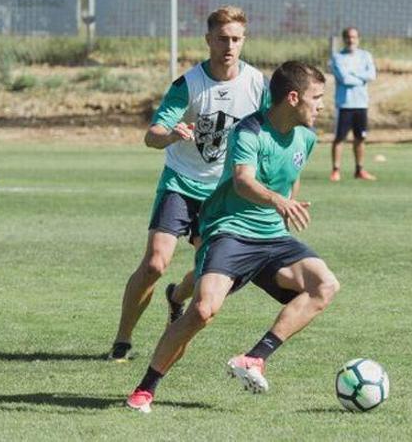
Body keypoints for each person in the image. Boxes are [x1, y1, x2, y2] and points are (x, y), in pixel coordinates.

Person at [125, 61, 340, 414]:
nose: (321, 105)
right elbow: (242, 180)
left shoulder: (307, 137)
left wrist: (286, 206)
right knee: (203, 310)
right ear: (293, 97)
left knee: (325, 285)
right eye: (316, 98)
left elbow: (291, 177)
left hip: (272, 238)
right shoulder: (249, 131)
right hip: (229, 231)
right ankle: (145, 390)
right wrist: (278, 201)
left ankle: (254, 359)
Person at [108, 6, 271, 362]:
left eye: (236, 39)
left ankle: (176, 297)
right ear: (208, 40)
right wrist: (170, 136)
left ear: (244, 41)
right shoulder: (189, 84)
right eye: (222, 39)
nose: (229, 46)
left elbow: (271, 130)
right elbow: (152, 135)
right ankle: (122, 339)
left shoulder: (258, 84)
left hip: (223, 194)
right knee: (154, 262)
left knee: (206, 277)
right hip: (181, 183)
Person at [329, 26, 377, 181]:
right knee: (339, 138)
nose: (351, 40)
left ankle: (359, 170)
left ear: (358, 38)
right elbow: (344, 79)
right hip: (345, 104)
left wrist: (354, 74)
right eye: (348, 37)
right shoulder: (337, 58)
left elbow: (372, 75)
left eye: (354, 37)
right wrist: (360, 77)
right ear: (344, 39)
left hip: (361, 103)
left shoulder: (365, 55)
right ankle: (336, 170)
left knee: (360, 138)